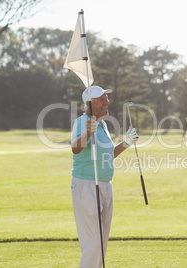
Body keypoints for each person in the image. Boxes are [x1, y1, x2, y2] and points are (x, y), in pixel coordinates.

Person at [70, 85, 138, 268]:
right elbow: (75, 148)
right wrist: (88, 132)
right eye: (102, 99)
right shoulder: (82, 122)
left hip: (105, 185)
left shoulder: (103, 125)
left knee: (101, 244)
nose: (107, 102)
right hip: (86, 186)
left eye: (106, 98)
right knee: (93, 244)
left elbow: (107, 155)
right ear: (89, 104)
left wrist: (126, 143)